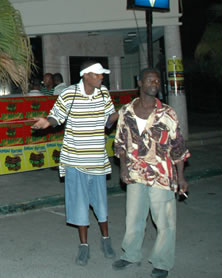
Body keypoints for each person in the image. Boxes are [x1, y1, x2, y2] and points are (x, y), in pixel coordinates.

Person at [32, 61, 118, 266]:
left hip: (97, 160)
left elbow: (108, 121)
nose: (101, 78)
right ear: (86, 75)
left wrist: (120, 115)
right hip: (75, 161)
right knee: (79, 207)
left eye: (102, 75)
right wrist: (47, 122)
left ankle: (106, 240)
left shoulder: (104, 93)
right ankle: (84, 246)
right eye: (98, 75)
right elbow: (56, 117)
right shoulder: (69, 94)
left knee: (101, 205)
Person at [112, 68, 190, 278]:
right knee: (134, 218)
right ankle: (131, 255)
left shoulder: (167, 113)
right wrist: (124, 170)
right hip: (135, 175)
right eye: (150, 79)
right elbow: (119, 145)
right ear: (140, 83)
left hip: (161, 176)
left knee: (164, 221)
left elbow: (178, 148)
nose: (155, 82)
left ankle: (162, 262)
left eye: (157, 80)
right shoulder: (126, 111)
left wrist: (181, 177)